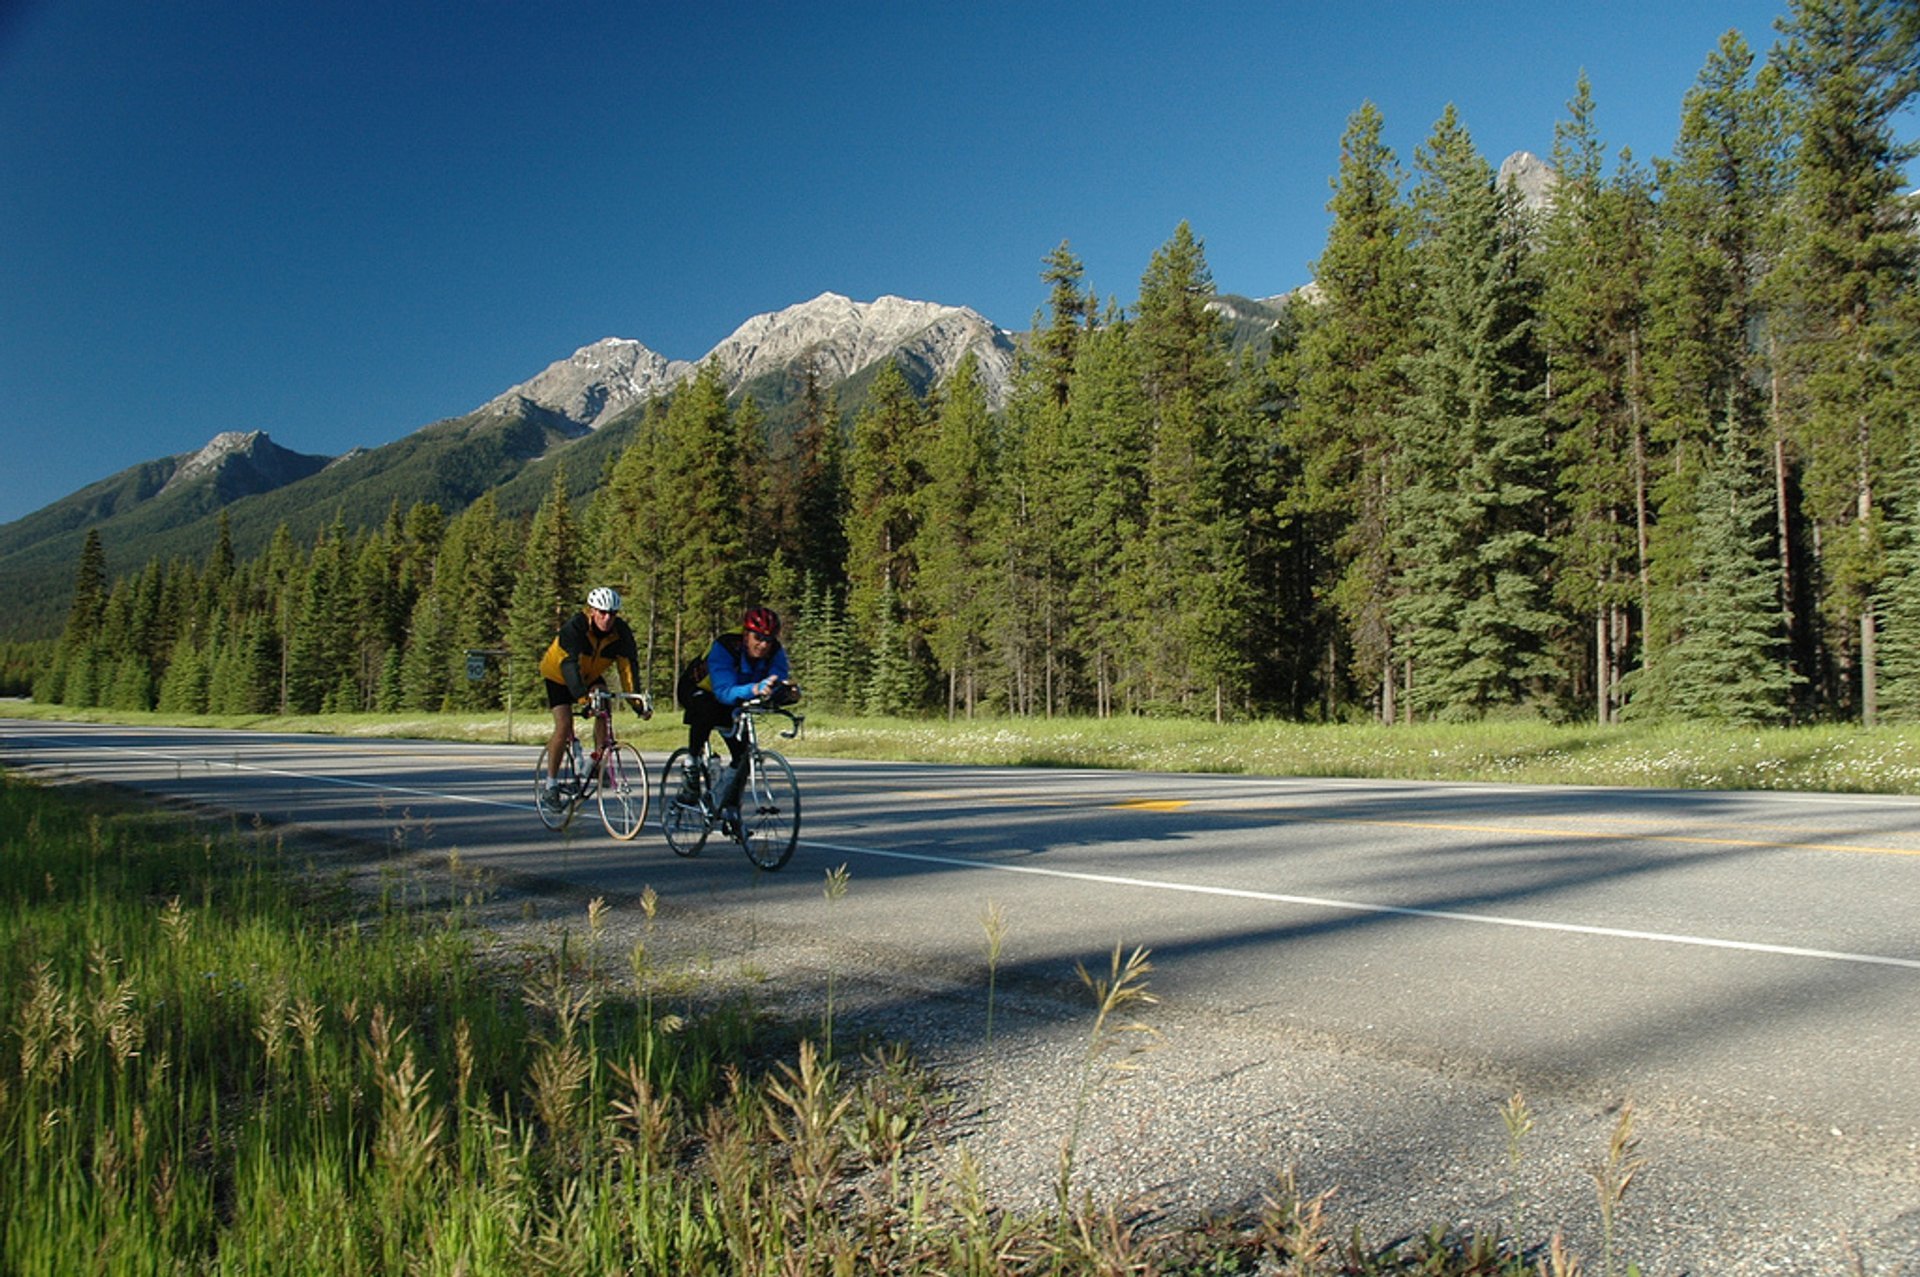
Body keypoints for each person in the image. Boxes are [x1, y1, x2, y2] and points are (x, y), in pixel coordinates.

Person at [678, 606, 797, 812]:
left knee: (743, 755)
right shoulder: (725, 646)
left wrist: (786, 693)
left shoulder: (774, 650)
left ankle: (726, 804)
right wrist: (756, 688)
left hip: (737, 694)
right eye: (757, 638)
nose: (763, 644)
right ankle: (692, 763)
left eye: (768, 640)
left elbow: (777, 680)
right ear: (746, 634)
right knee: (707, 709)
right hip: (698, 688)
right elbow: (724, 692)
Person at [538, 586, 649, 799]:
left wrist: (638, 704)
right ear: (592, 611)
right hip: (558, 675)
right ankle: (550, 785)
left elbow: (628, 670)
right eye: (602, 612)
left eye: (613, 614)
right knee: (564, 726)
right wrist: (583, 700)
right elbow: (569, 667)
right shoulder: (574, 628)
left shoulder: (621, 633)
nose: (608, 618)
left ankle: (597, 762)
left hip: (588, 676)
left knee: (604, 703)